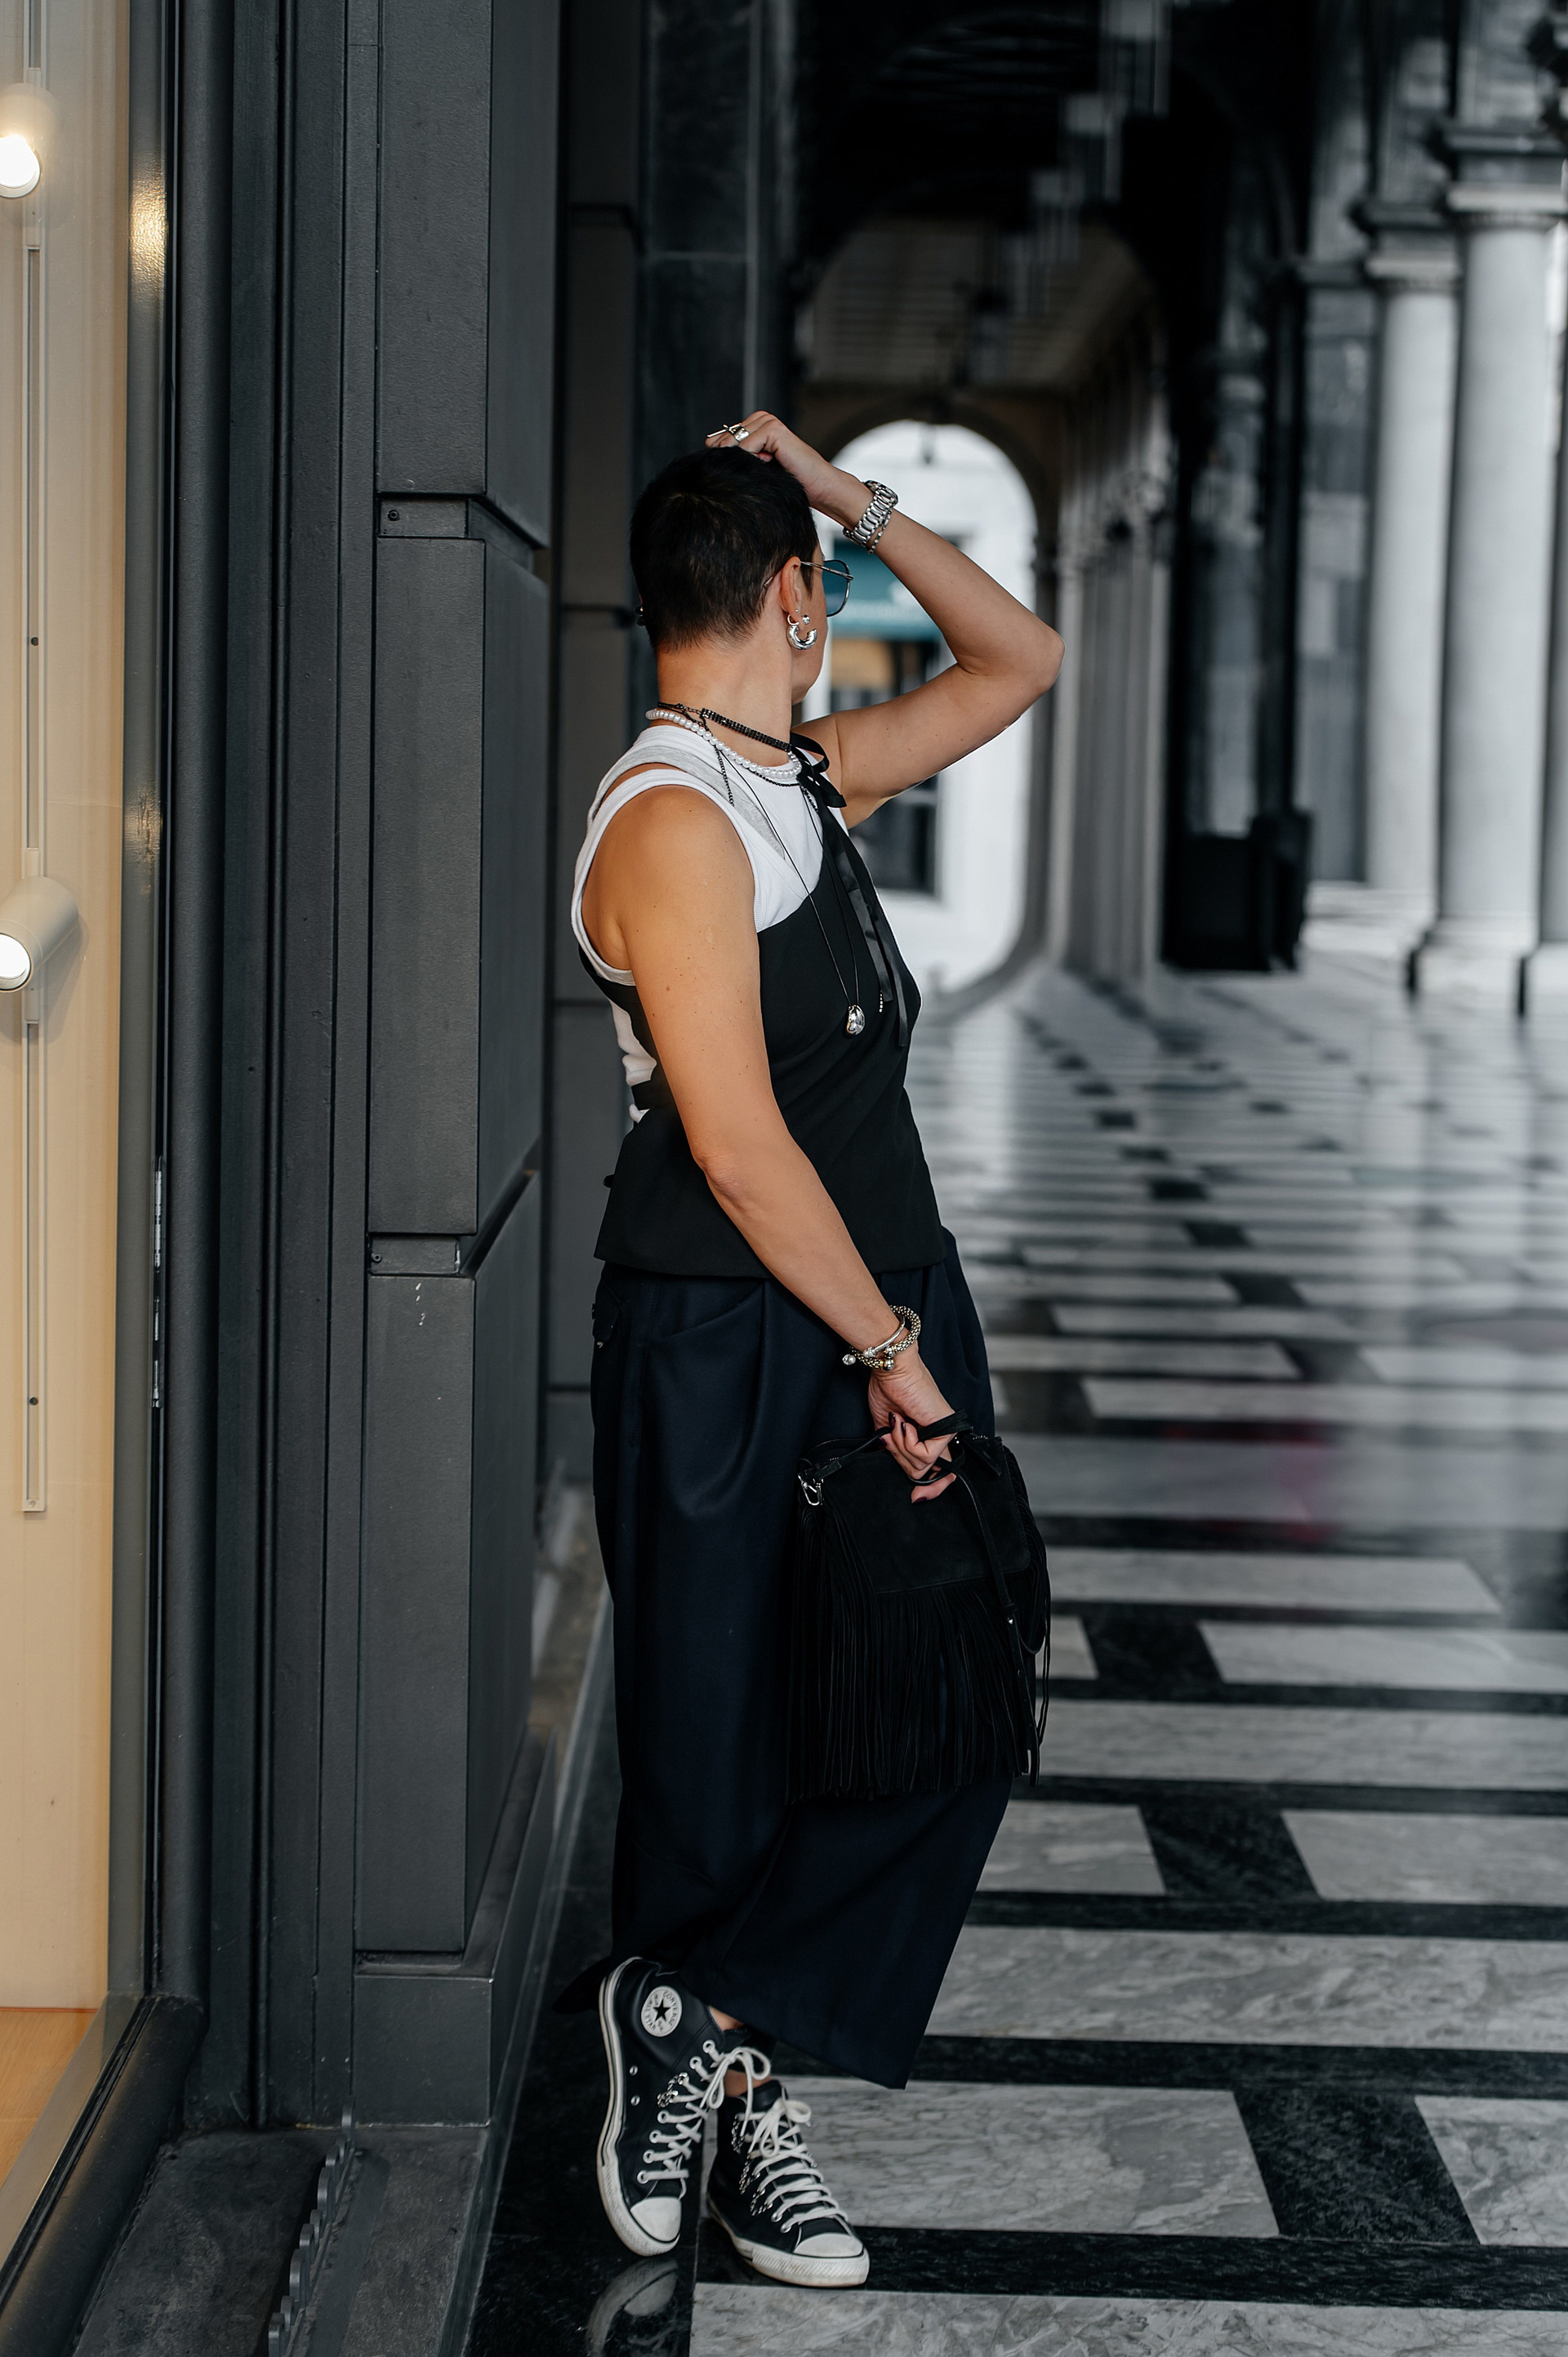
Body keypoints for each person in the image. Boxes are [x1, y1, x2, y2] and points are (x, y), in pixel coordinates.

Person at [559, 413, 1062, 2290]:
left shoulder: (803, 778)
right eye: (823, 572)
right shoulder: (672, 817)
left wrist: (855, 497)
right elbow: (739, 1148)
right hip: (733, 1334)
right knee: (724, 1745)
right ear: (791, 599)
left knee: (944, 1692)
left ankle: (695, 2018)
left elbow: (1021, 659)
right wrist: (891, 1348)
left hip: (878, 1305)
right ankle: (720, 2091)